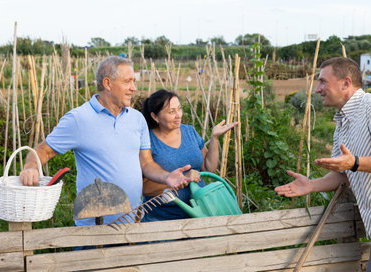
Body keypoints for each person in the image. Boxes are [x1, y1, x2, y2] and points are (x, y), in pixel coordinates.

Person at [275, 57, 371, 272]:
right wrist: (312, 185)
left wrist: (356, 163)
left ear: (346, 82)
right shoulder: (342, 123)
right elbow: (344, 174)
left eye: (323, 81)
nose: (317, 89)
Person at [20, 56, 192, 227]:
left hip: (133, 222)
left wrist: (167, 177)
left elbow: (146, 163)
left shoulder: (136, 119)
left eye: (133, 81)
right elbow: (42, 151)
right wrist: (30, 167)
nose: (133, 88)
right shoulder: (79, 119)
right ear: (108, 84)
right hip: (95, 228)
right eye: (127, 82)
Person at [140, 89, 237, 222]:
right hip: (163, 218)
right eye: (171, 112)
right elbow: (144, 187)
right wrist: (183, 179)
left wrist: (214, 138)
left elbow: (208, 169)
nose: (178, 115)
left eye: (179, 109)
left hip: (200, 213)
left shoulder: (189, 131)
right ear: (155, 117)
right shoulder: (147, 141)